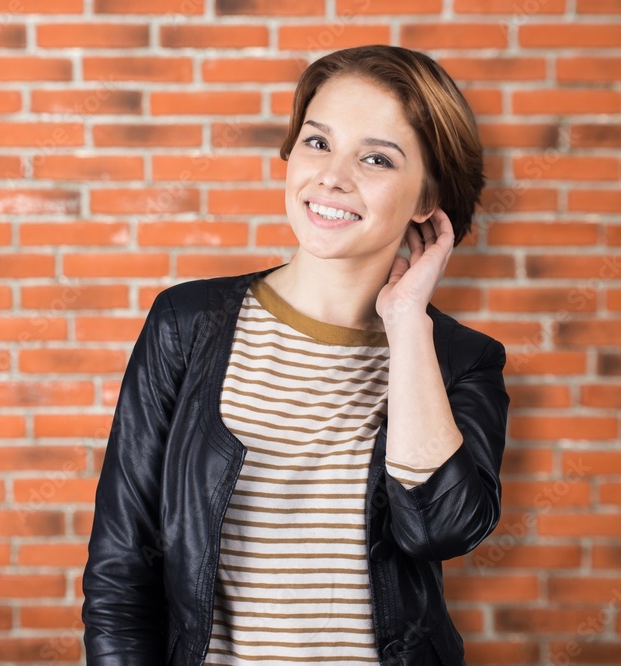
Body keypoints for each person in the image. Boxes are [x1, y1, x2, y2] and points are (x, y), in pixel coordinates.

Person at [81, 45, 511, 666]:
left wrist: (406, 321)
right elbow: (121, 572)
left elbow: (440, 529)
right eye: (316, 143)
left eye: (376, 158)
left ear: (426, 199)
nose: (332, 177)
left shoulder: (461, 362)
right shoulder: (186, 325)